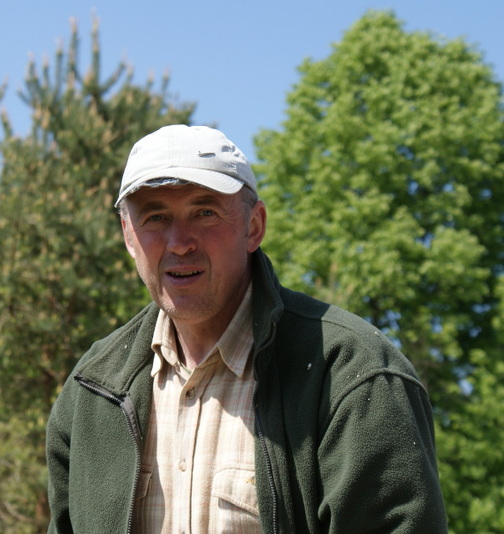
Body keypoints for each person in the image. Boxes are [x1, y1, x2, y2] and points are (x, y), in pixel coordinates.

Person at [45, 124, 447, 533]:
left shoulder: (351, 376)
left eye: (205, 212)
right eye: (155, 217)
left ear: (254, 226)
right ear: (129, 237)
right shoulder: (91, 392)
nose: (180, 242)